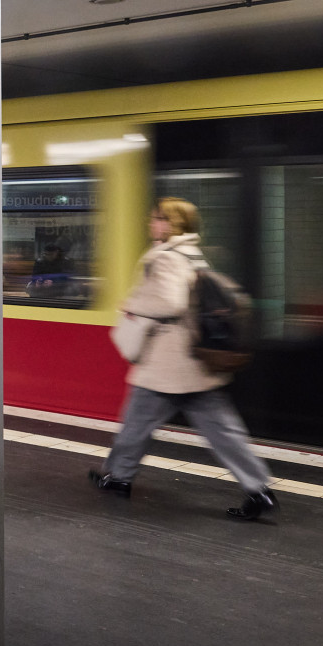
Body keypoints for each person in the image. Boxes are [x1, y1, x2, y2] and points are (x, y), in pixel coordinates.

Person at [89, 197, 277, 520]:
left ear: (170, 223)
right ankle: (259, 489)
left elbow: (170, 303)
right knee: (223, 431)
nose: (151, 224)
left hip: (168, 363)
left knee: (135, 423)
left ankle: (118, 478)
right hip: (195, 363)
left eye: (156, 219)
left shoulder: (166, 258)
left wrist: (133, 305)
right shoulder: (193, 254)